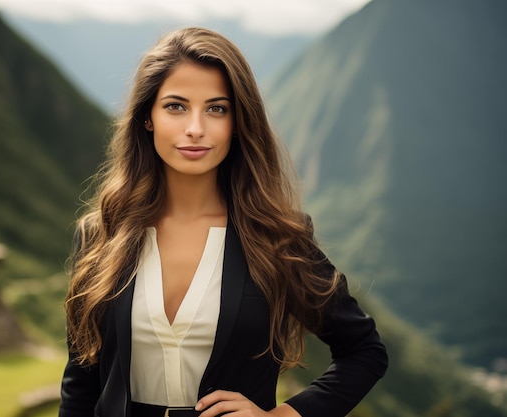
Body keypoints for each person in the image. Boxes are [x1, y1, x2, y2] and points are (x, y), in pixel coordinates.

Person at [59, 27, 388, 417]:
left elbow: (364, 351)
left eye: (217, 108)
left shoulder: (275, 237)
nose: (195, 128)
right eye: (176, 106)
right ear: (148, 117)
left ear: (237, 122)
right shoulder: (102, 234)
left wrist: (283, 416)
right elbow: (80, 383)